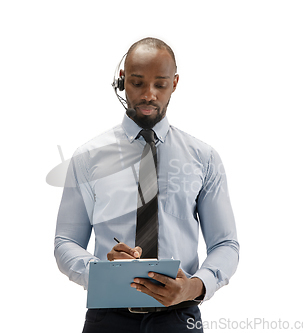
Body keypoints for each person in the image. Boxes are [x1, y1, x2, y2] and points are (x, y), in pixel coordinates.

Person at [54, 37, 239, 333]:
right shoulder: (88, 158)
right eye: (137, 83)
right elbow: (66, 242)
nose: (149, 95)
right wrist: (102, 273)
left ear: (175, 83)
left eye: (160, 85)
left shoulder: (204, 158)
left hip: (179, 317)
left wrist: (194, 286)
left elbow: (225, 244)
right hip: (108, 319)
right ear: (122, 81)